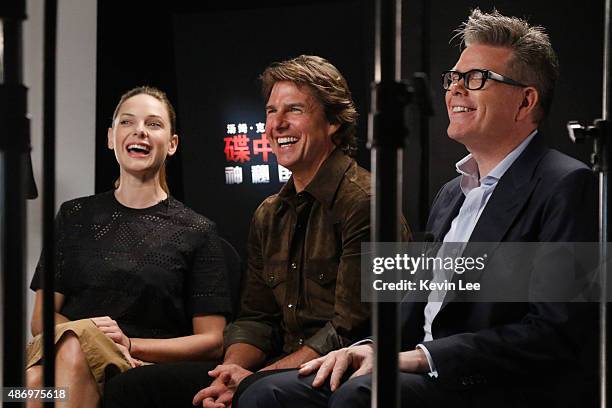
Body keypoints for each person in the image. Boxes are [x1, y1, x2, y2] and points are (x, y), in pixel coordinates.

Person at [236, 8, 598, 408]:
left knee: (362, 396)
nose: (455, 89)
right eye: (453, 78)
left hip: (484, 384)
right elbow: (411, 309)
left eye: (476, 78)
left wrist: (421, 357)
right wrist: (371, 347)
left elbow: (556, 332)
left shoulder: (568, 184)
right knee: (264, 393)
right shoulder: (450, 196)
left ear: (525, 100)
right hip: (416, 371)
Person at [104, 55, 408, 408]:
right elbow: (255, 318)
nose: (276, 125)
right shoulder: (269, 214)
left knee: (257, 395)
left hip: (341, 369)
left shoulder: (366, 203)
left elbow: (348, 330)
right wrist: (231, 371)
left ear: (332, 122)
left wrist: (252, 382)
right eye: (270, 112)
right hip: (277, 365)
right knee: (134, 387)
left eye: (293, 110)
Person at [26, 86, 231, 408]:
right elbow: (40, 318)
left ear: (173, 144)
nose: (139, 132)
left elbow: (211, 341)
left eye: (153, 124)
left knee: (41, 381)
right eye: (127, 122)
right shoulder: (73, 215)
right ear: (110, 137)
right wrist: (91, 336)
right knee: (30, 384)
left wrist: (130, 344)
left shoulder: (198, 231)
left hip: (142, 366)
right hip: (67, 358)